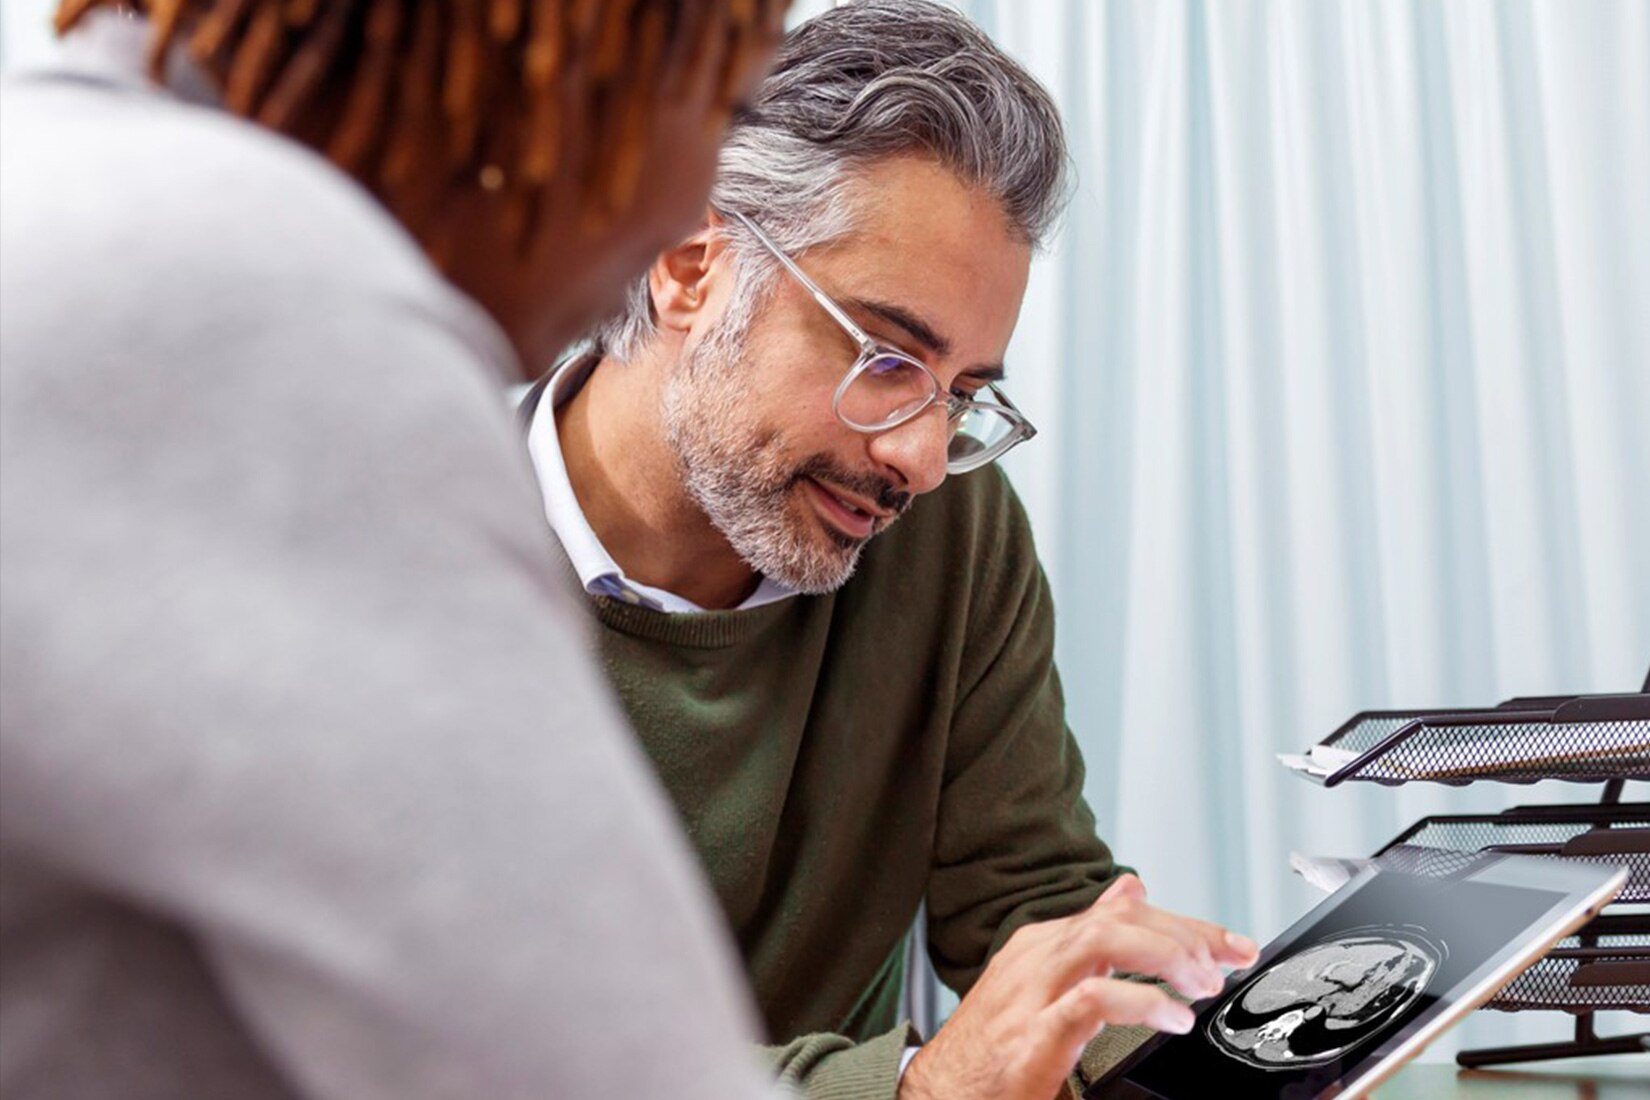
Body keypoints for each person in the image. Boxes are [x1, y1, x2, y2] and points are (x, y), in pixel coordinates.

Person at [0, 2, 787, 1099]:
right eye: (727, 109)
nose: (686, 216)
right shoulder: (275, 317)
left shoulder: (51, 177)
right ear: (570, 57)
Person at [519, 3, 1261, 1099]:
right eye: (885, 357)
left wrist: (1235, 1054)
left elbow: (1026, 899)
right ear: (689, 265)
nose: (920, 457)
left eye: (961, 394)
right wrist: (916, 1088)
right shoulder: (412, 549)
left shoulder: (952, 533)